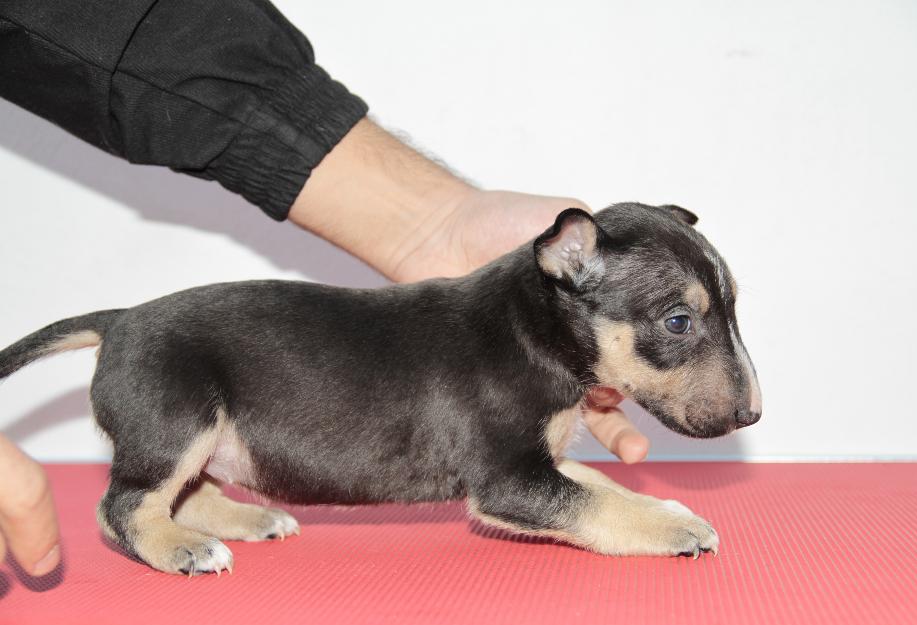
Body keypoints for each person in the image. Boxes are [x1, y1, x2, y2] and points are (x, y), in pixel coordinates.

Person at [0, 0, 649, 577]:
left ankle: (192, 499)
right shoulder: (162, 337)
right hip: (165, 345)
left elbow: (119, 30)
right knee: (177, 398)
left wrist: (438, 222)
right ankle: (139, 513)